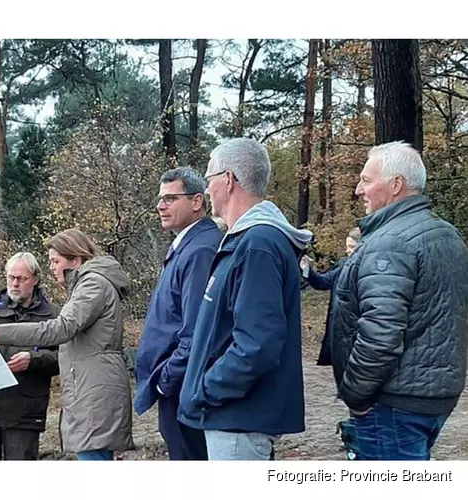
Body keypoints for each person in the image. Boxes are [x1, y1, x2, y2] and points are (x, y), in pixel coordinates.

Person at [330, 140, 468, 460]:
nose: (357, 189)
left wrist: (356, 397)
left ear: (395, 185)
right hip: (434, 396)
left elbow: (380, 334)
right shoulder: (446, 234)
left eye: (366, 180)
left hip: (393, 402)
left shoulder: (390, 242)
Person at [178, 138, 312, 460]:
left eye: (209, 179)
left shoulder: (258, 244)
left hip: (238, 421)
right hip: (233, 418)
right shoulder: (248, 240)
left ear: (227, 179)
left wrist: (206, 388)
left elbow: (257, 345)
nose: (207, 190)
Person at [0, 229, 135, 461]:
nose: (51, 267)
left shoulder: (92, 285)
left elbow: (60, 328)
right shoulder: (90, 284)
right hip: (92, 387)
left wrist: (1, 333)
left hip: (95, 390)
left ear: (76, 259)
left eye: (55, 261)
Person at [134, 166, 222, 460]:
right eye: (160, 199)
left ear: (196, 201)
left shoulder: (200, 250)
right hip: (178, 388)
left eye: (170, 198)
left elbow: (196, 330)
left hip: (184, 389)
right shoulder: (186, 245)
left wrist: (165, 380)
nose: (160, 206)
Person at [0, 252, 60, 460]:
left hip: (25, 410)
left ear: (35, 279)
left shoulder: (53, 315)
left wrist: (34, 360)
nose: (14, 283)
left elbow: (62, 358)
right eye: (10, 277)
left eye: (21, 278)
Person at [300, 227, 360, 366]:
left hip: (357, 332)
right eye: (347, 247)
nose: (347, 251)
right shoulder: (343, 264)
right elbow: (323, 282)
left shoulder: (370, 269)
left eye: (351, 247)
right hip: (339, 330)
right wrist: (307, 269)